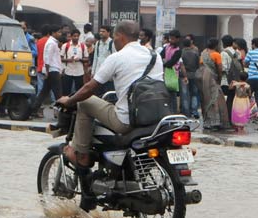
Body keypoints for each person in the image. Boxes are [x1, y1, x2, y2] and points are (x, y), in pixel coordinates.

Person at [57, 20, 162, 168]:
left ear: (120, 36)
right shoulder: (154, 56)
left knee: (85, 103)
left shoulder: (117, 57)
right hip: (153, 118)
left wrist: (69, 101)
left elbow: (89, 89)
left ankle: (80, 154)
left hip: (127, 121)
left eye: (114, 37)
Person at [199, 38, 231, 131]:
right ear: (216, 45)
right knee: (216, 99)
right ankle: (216, 122)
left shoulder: (203, 54)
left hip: (204, 79)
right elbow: (220, 69)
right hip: (213, 79)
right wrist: (219, 79)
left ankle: (208, 122)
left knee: (206, 99)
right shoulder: (216, 55)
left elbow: (201, 66)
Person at [32, 25, 65, 115]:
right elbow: (47, 57)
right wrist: (46, 71)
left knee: (44, 92)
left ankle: (33, 110)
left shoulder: (53, 42)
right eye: (58, 32)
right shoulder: (51, 43)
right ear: (53, 33)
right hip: (52, 70)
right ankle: (62, 112)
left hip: (52, 70)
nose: (60, 34)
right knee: (58, 93)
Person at [61, 29, 88, 96]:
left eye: (77, 36)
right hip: (68, 71)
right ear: (71, 36)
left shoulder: (82, 46)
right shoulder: (66, 45)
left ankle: (77, 105)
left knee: (79, 91)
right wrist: (69, 60)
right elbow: (61, 58)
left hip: (79, 71)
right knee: (66, 91)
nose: (76, 38)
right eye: (74, 36)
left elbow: (87, 59)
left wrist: (80, 59)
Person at [179, 37, 201, 118]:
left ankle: (186, 112)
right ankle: (194, 111)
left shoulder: (181, 53)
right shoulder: (195, 53)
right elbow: (198, 64)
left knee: (185, 94)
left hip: (184, 76)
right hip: (194, 74)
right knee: (194, 93)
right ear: (190, 44)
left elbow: (180, 65)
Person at [161, 30, 183, 110]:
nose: (171, 40)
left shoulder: (178, 50)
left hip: (173, 75)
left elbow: (171, 62)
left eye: (173, 39)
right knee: (165, 94)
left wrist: (165, 62)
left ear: (178, 39)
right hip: (164, 74)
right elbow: (160, 56)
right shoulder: (166, 47)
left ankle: (173, 112)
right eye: (170, 39)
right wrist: (165, 62)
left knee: (172, 95)